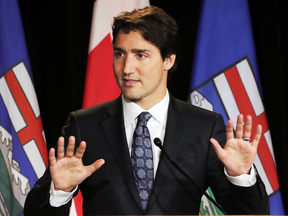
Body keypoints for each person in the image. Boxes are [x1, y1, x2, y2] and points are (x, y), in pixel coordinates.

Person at [24, 5, 269, 215]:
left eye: (141, 55)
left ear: (168, 60)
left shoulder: (203, 126)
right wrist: (60, 191)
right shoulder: (84, 125)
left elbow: (250, 213)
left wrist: (240, 177)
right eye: (120, 54)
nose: (126, 68)